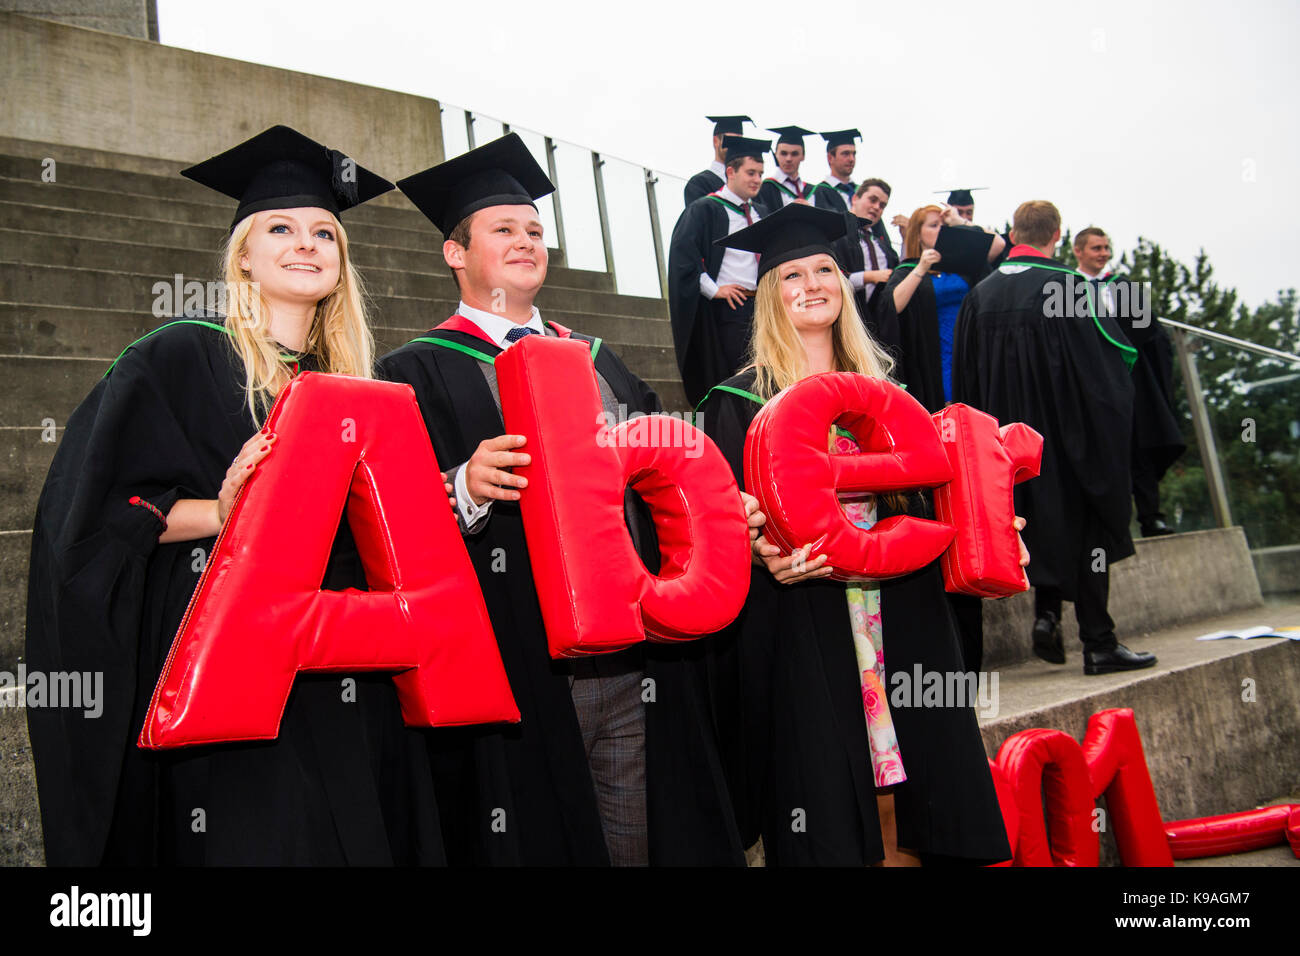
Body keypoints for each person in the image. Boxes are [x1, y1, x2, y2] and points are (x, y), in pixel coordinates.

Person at [24, 125, 447, 865]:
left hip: (347, 667)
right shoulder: (178, 357)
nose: (306, 242)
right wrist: (224, 513)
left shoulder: (368, 390)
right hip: (237, 673)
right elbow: (94, 519)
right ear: (243, 255)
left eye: (325, 232)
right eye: (280, 227)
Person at [377, 134, 747, 866]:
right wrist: (463, 487)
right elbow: (385, 520)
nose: (526, 243)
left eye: (536, 232)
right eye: (504, 230)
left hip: (634, 659)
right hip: (515, 661)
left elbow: (663, 475)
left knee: (637, 838)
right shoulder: (412, 370)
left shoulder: (599, 359)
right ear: (456, 253)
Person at [695, 203, 1014, 866]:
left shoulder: (889, 393)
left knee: (913, 768)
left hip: (898, 598)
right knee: (830, 778)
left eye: (824, 270)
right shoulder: (737, 402)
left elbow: (931, 494)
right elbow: (720, 518)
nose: (812, 284)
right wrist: (759, 554)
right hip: (806, 609)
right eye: (791, 276)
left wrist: (987, 522)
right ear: (768, 297)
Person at [953, 201, 1158, 675]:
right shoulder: (1069, 289)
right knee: (1087, 530)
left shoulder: (980, 295)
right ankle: (1099, 642)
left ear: (1015, 232)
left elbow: (964, 383)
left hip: (1005, 447)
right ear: (1058, 234)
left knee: (1029, 521)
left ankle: (1046, 616)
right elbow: (1110, 371)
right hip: (1065, 443)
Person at [1074, 227, 1185, 536]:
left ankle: (1151, 517)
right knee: (1106, 453)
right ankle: (1113, 527)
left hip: (1130, 382)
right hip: (1092, 386)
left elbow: (1147, 330)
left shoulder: (1121, 287)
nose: (1103, 253)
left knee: (1141, 448)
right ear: (1078, 251)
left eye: (1106, 247)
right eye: (1096, 248)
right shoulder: (1068, 289)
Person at [668, 134, 769, 407]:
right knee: (736, 381)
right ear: (730, 172)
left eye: (760, 173)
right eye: (750, 172)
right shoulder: (704, 209)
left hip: (762, 308)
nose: (757, 179)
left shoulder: (760, 213)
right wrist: (714, 290)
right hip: (730, 311)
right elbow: (683, 257)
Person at [832, 178, 899, 334]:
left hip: (880, 327)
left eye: (882, 205)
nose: (876, 207)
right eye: (872, 200)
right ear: (855, 198)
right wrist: (868, 277)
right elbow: (833, 280)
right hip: (849, 324)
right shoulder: (836, 237)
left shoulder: (881, 245)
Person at [684, 114, 752, 205]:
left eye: (740, 141)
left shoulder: (749, 183)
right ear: (716, 141)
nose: (736, 145)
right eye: (730, 140)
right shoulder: (699, 184)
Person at [755, 126, 815, 212]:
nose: (788, 159)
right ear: (776, 155)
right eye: (784, 153)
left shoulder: (814, 191)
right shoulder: (764, 189)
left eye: (794, 154)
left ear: (803, 156)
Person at [811, 129, 861, 211]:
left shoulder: (862, 192)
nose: (851, 159)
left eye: (854, 154)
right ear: (830, 158)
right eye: (846, 154)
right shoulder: (818, 192)